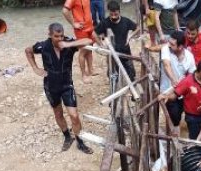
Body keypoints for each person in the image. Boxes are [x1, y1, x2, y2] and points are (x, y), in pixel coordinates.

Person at [25, 23, 94, 154]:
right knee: (58, 113)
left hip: (67, 84)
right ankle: (67, 137)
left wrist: (69, 44)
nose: (60, 39)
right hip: (51, 85)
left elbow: (89, 40)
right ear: (50, 35)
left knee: (74, 115)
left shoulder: (68, 44)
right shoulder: (43, 46)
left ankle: (80, 141)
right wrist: (35, 68)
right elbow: (28, 50)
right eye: (56, 36)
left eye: (61, 35)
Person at [159, 58, 201, 140]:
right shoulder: (187, 81)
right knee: (195, 139)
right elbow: (175, 95)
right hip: (193, 118)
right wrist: (166, 97)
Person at [149, 31, 196, 134]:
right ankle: (174, 133)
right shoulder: (166, 49)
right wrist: (174, 80)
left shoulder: (189, 57)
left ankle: (174, 130)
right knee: (173, 114)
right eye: (169, 42)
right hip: (168, 91)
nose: (169, 45)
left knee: (180, 112)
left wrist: (183, 85)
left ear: (180, 47)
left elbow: (192, 75)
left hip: (183, 92)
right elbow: (166, 65)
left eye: (172, 44)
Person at [94, 1, 139, 81]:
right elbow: (94, 33)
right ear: (109, 12)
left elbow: (137, 28)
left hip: (125, 51)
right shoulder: (105, 22)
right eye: (111, 14)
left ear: (119, 11)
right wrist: (101, 44)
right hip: (112, 54)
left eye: (116, 14)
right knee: (113, 76)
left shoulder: (126, 21)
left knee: (131, 75)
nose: (114, 17)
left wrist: (130, 36)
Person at [62, 0, 96, 83]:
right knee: (83, 51)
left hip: (90, 26)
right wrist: (73, 24)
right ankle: (84, 75)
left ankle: (91, 70)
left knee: (90, 48)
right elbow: (65, 10)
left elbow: (87, 9)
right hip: (81, 29)